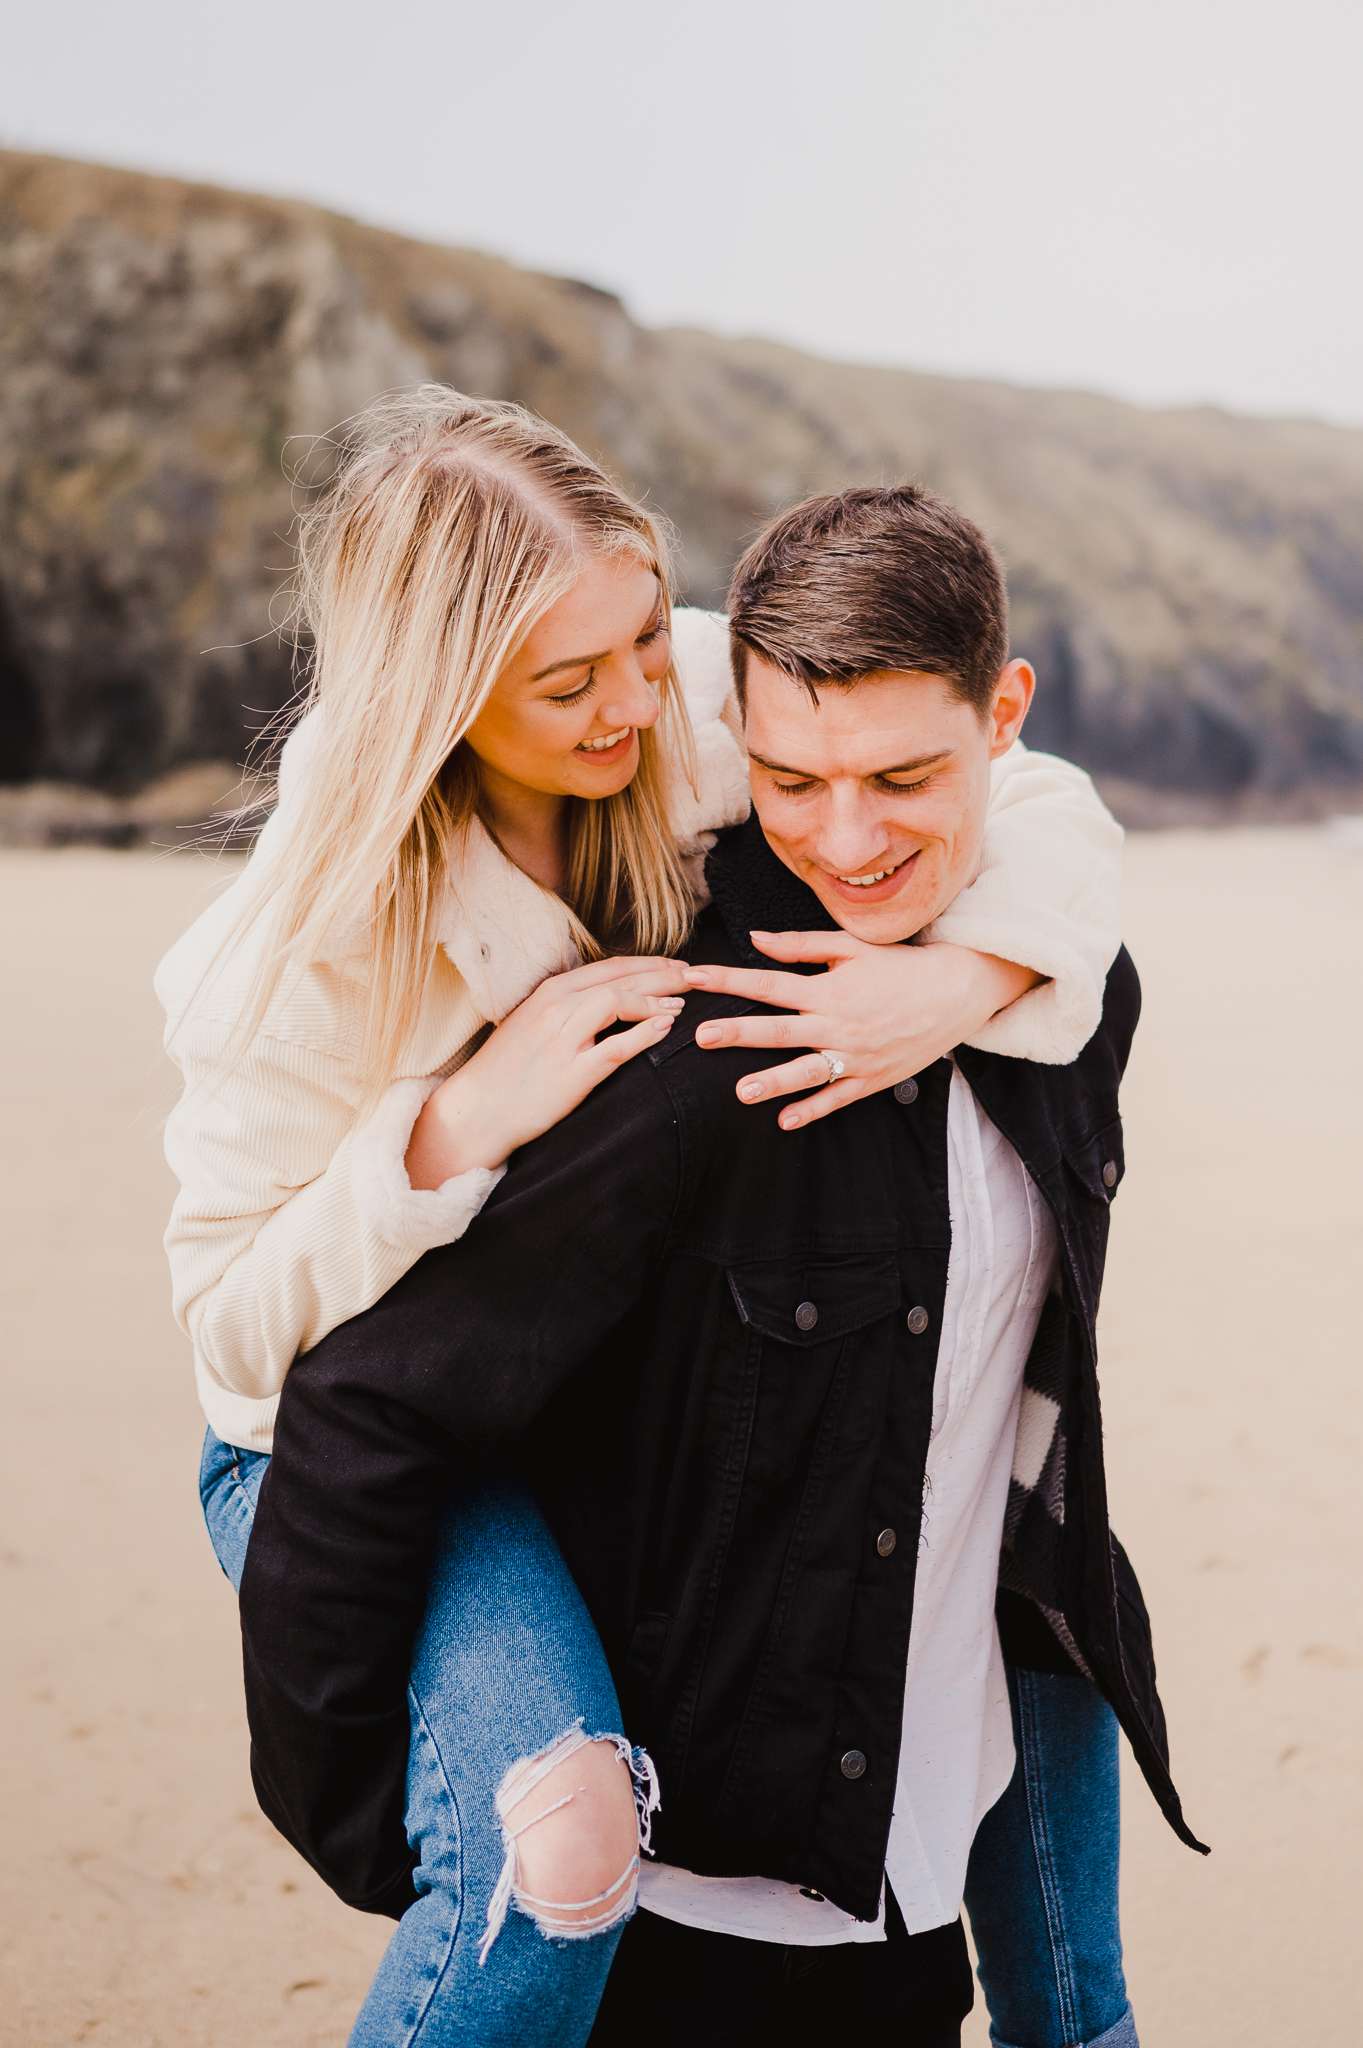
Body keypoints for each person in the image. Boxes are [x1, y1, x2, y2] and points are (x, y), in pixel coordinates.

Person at [157, 391, 1135, 2047]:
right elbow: (239, 1332)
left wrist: (957, 982)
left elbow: (1015, 786)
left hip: (516, 1370)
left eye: (639, 640)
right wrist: (450, 1125)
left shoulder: (678, 700)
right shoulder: (314, 941)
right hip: (314, 1425)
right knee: (554, 1850)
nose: (632, 699)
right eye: (571, 683)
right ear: (448, 695)